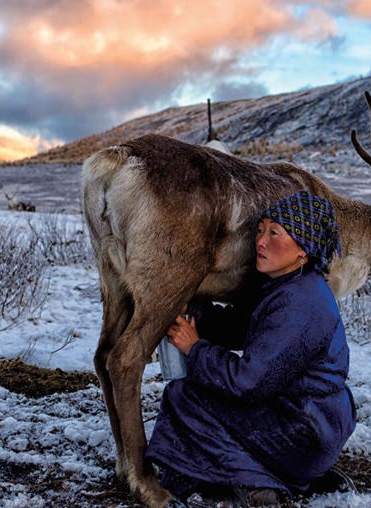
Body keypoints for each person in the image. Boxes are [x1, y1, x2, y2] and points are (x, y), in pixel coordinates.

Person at [146, 190, 357, 507]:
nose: (260, 241)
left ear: (305, 248)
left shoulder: (299, 303)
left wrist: (195, 348)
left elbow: (248, 381)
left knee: (185, 397)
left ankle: (256, 483)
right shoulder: (289, 284)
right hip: (314, 421)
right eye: (260, 230)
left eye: (275, 233)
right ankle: (290, 475)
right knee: (200, 394)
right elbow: (240, 329)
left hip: (304, 432)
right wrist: (198, 313)